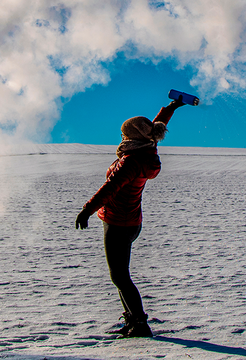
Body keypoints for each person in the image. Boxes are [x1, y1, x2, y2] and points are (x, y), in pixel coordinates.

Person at [75, 95, 187, 338]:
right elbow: (154, 127)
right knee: (120, 275)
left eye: (125, 134)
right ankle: (132, 320)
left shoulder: (131, 162)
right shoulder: (147, 147)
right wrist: (171, 107)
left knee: (120, 277)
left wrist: (86, 211)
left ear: (132, 137)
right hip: (131, 222)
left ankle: (139, 325)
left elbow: (109, 188)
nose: (123, 138)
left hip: (118, 223)